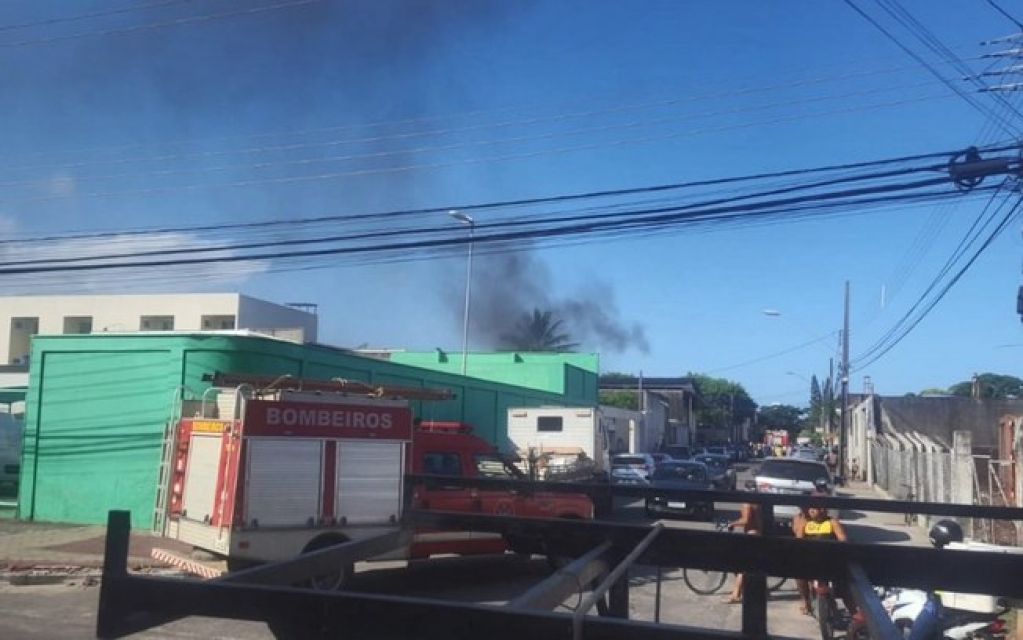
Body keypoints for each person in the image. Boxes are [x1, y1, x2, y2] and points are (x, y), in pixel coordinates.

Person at [793, 487, 853, 616]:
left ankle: (854, 611)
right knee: (799, 576)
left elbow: (843, 540)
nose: (819, 510)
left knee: (843, 585)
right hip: (811, 560)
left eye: (822, 508)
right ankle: (804, 599)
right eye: (815, 508)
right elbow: (798, 542)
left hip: (829, 560)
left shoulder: (832, 522)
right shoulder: (805, 523)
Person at [722, 488, 764, 604]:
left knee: (742, 566)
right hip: (758, 534)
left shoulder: (747, 503)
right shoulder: (758, 503)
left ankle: (736, 595)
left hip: (751, 535)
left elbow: (746, 520)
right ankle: (740, 589)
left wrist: (732, 523)